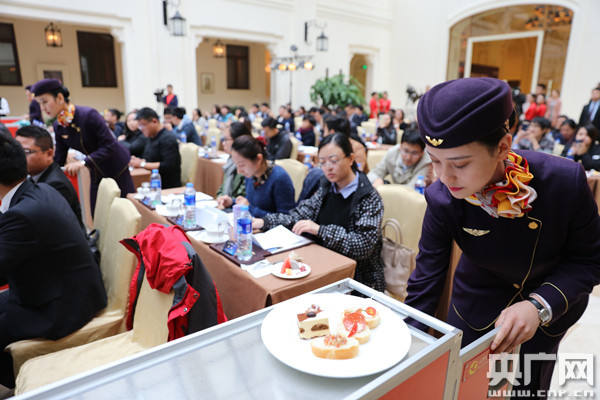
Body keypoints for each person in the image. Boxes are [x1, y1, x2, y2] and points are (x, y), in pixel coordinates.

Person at [405, 77, 600, 399]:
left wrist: (539, 306)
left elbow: (589, 260)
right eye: (435, 161)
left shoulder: (565, 181)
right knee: (468, 386)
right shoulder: (442, 197)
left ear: (502, 146)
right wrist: (406, 341)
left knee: (527, 386)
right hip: (478, 298)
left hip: (550, 298)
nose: (444, 177)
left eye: (459, 164)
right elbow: (426, 278)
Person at [0, 132, 107, 388]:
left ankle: (24, 386)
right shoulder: (39, 189)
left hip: (63, 307)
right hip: (65, 287)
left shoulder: (23, 214)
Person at [253, 133, 386, 291]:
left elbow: (362, 246)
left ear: (351, 159)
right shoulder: (327, 187)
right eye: (322, 162)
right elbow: (299, 215)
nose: (327, 167)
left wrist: (320, 230)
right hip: (324, 266)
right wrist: (265, 221)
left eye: (333, 161)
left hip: (358, 280)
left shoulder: (368, 197)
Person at [32, 78, 135, 213]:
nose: (42, 108)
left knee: (126, 209)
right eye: (39, 104)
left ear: (60, 98)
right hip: (95, 169)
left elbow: (109, 145)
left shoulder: (88, 115)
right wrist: (42, 178)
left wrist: (83, 162)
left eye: (45, 102)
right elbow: (59, 158)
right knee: (97, 211)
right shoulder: (59, 125)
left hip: (116, 165)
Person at [14, 125, 84, 230]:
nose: (19, 157)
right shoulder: (35, 176)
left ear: (49, 154)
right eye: (17, 151)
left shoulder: (56, 185)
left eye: (26, 152)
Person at [230, 135, 295, 217]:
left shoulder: (280, 178)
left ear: (259, 159)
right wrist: (231, 201)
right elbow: (251, 201)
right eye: (236, 165)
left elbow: (287, 218)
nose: (239, 171)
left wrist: (250, 208)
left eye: (241, 165)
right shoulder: (251, 174)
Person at [129, 107, 181, 189]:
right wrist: (139, 161)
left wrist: (142, 164)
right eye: (139, 126)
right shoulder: (151, 137)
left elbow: (167, 166)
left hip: (167, 186)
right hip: (152, 182)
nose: (141, 129)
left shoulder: (168, 138)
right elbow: (151, 159)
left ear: (154, 121)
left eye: (143, 125)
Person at [367, 129, 432, 188]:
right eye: (406, 151)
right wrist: (377, 180)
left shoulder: (426, 162)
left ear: (422, 152)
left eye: (414, 153)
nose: (408, 157)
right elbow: (374, 173)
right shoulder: (392, 153)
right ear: (400, 147)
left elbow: (413, 189)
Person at [216, 122, 252, 209]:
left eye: (226, 140)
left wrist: (230, 201)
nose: (223, 143)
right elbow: (222, 189)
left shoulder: (249, 163)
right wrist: (221, 198)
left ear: (238, 140)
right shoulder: (230, 160)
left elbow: (243, 197)